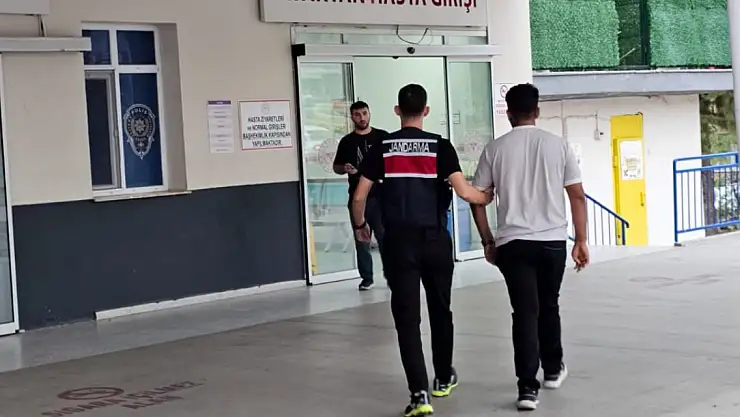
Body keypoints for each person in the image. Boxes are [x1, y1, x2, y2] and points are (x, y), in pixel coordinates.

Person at [351, 84, 493, 417]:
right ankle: (442, 377)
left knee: (407, 318)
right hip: (434, 241)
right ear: (426, 111)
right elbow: (465, 192)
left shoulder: (382, 147)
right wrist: (486, 196)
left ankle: (419, 395)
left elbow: (359, 196)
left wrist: (361, 225)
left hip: (398, 244)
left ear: (397, 111)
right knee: (440, 309)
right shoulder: (440, 146)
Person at [469, 83, 589, 411]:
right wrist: (580, 240)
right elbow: (577, 196)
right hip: (551, 242)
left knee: (524, 313)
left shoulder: (495, 149)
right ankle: (552, 370)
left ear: (508, 113)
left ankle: (527, 389)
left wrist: (488, 240)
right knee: (549, 304)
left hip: (513, 243)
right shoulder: (558, 145)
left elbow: (477, 199)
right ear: (537, 111)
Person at [332, 101, 389, 290]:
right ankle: (367, 278)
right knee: (361, 238)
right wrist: (344, 168)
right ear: (352, 117)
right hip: (357, 198)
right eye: (357, 114)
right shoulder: (347, 142)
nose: (362, 118)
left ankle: (391, 275)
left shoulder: (382, 137)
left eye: (364, 113)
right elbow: (336, 167)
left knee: (385, 237)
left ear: (369, 113)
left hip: (380, 196)